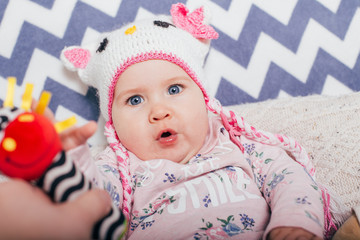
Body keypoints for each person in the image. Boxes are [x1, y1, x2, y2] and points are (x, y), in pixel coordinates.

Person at [59, 3, 333, 239]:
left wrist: (294, 223)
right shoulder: (120, 167)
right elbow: (93, 201)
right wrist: (74, 157)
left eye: (174, 90)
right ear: (112, 123)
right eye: (135, 100)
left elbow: (288, 177)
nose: (159, 111)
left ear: (204, 98)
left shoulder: (235, 142)